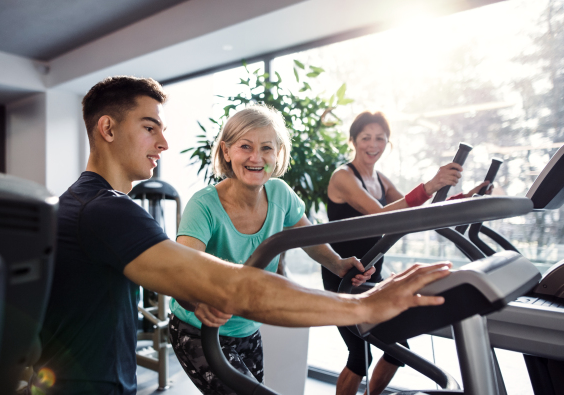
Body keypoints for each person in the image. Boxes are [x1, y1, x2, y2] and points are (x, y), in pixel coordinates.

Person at [32, 77, 452, 395]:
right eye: (150, 127)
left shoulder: (87, 204)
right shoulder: (108, 209)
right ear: (107, 129)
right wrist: (363, 305)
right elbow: (233, 286)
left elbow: (301, 240)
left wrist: (340, 265)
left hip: (97, 376)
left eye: (267, 148)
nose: (164, 142)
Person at [169, 105, 370, 394]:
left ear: (278, 154)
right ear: (226, 151)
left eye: (266, 148)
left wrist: (338, 264)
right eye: (245, 147)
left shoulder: (279, 194)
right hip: (199, 329)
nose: (256, 157)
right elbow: (178, 273)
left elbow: (308, 238)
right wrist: (199, 303)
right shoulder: (203, 206)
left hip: (246, 327)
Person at [325, 111, 492, 395]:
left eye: (381, 138)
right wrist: (431, 184)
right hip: (343, 276)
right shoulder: (343, 176)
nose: (373, 144)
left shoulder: (381, 179)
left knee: (396, 347)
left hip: (371, 274)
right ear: (352, 140)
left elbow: (413, 211)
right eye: (366, 137)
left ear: (388, 143)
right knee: (360, 355)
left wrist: (465, 199)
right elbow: (379, 217)